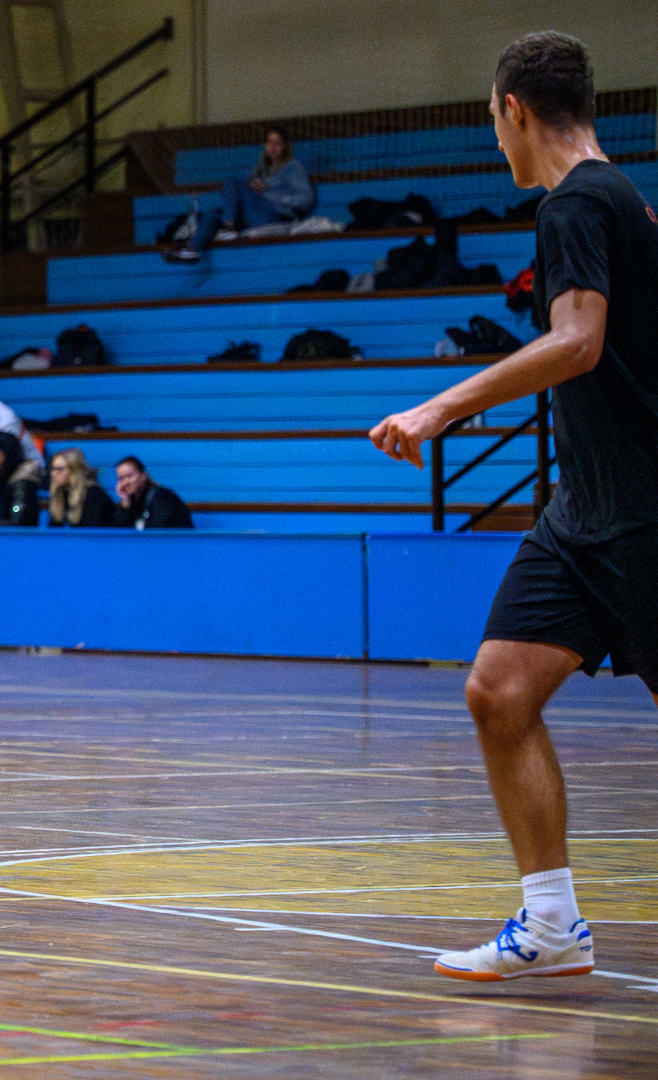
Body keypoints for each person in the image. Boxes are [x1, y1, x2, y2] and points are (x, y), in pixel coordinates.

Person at [370, 31, 658, 983]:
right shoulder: (621, 201)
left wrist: (440, 408)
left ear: (513, 111)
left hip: (643, 513)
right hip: (583, 514)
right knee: (497, 691)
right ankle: (550, 925)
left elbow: (575, 342)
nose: (496, 138)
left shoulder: (575, 202)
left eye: (493, 120)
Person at [168, 125, 316, 263]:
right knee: (213, 214)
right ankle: (192, 250)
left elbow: (306, 200)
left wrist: (267, 194)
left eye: (277, 143)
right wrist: (253, 187)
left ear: (284, 146)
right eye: (269, 142)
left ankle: (228, 226)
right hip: (254, 214)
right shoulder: (260, 168)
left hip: (275, 214)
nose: (273, 147)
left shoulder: (293, 167)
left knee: (232, 180)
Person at [112, 456, 193, 529]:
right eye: (121, 478)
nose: (126, 482)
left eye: (130, 476)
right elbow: (121, 533)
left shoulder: (163, 498)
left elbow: (158, 531)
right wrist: (126, 503)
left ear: (143, 475)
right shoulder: (132, 502)